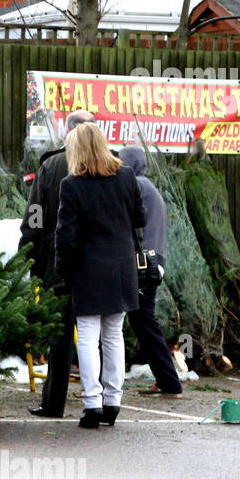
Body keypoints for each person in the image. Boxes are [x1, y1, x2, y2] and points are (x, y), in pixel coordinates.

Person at [53, 123, 146, 428]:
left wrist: (62, 273)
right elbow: (140, 218)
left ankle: (92, 404)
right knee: (114, 335)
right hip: (122, 267)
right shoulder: (126, 176)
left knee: (89, 337)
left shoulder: (72, 184)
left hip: (88, 268)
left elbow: (65, 236)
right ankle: (113, 401)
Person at [19, 110, 94, 418]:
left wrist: (27, 254)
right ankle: (98, 402)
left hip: (57, 265)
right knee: (97, 336)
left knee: (59, 338)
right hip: (95, 265)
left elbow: (34, 216)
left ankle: (53, 403)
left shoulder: (52, 166)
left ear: (67, 132)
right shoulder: (109, 166)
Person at [117, 146, 183, 399]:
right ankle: (167, 380)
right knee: (142, 320)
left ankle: (170, 382)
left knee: (144, 321)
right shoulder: (148, 186)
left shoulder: (137, 185)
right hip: (153, 261)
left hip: (143, 263)